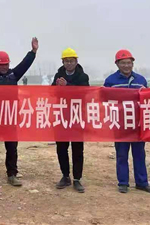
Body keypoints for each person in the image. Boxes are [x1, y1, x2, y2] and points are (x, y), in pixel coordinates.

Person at [0, 34, 38, 188]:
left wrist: (33, 52)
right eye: (0, 64)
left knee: (12, 148)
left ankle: (12, 174)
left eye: (5, 64)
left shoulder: (13, 75)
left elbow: (24, 65)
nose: (3, 67)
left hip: (10, 118)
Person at [104, 49, 150, 194]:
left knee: (139, 154)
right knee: (122, 154)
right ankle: (123, 182)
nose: (126, 66)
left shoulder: (140, 80)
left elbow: (148, 99)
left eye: (129, 63)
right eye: (123, 63)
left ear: (132, 64)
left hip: (137, 124)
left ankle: (142, 182)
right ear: (117, 64)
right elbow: (104, 100)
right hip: (120, 124)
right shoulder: (110, 81)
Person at [52, 47, 89, 193]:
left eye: (71, 61)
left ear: (76, 61)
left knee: (77, 148)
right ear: (62, 62)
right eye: (66, 61)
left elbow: (84, 92)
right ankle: (65, 176)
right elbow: (51, 92)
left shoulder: (83, 76)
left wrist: (67, 86)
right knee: (61, 147)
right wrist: (56, 86)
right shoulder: (58, 75)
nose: (69, 63)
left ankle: (77, 178)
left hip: (77, 116)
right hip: (61, 116)